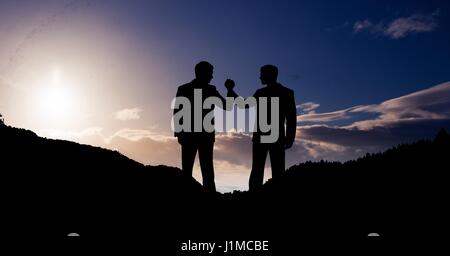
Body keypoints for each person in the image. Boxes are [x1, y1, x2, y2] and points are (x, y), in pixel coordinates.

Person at [226, 65, 296, 191]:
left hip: (269, 137)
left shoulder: (276, 93)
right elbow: (244, 105)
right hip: (270, 137)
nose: (259, 76)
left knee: (265, 171)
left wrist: (290, 138)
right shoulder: (279, 92)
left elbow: (291, 117)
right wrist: (231, 91)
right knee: (264, 171)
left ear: (269, 75)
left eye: (262, 73)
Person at [173, 61, 237, 193]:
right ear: (203, 73)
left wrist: (178, 133)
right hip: (198, 135)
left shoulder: (187, 88)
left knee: (198, 171)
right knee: (203, 171)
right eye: (210, 73)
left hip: (194, 135)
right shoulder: (206, 90)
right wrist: (230, 90)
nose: (212, 77)